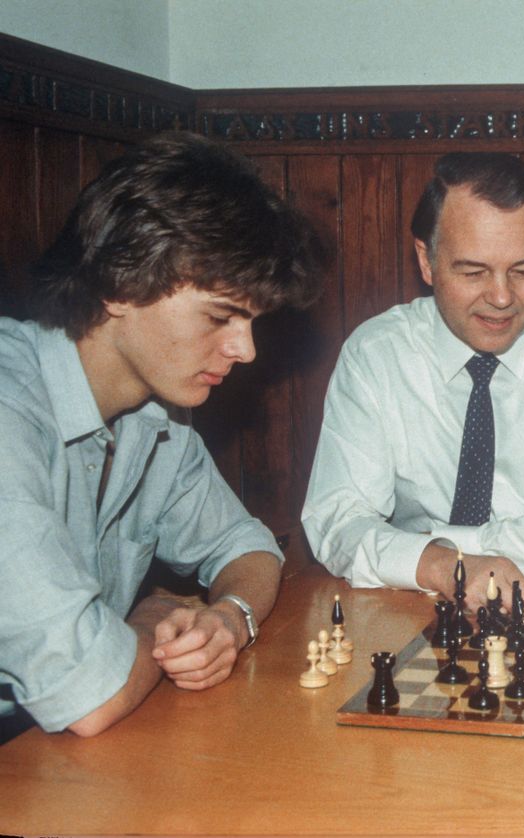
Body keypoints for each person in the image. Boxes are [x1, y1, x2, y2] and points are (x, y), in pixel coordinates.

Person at [0, 132, 322, 742]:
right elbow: (89, 695)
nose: (245, 350)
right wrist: (152, 617)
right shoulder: (8, 409)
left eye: (252, 321)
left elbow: (249, 548)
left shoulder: (156, 413)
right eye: (220, 316)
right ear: (121, 284)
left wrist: (229, 618)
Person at [303, 153, 524, 612]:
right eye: (473, 272)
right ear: (427, 260)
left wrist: (414, 548)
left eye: (523, 270)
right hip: (411, 597)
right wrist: (442, 566)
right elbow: (336, 522)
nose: (501, 298)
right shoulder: (376, 355)